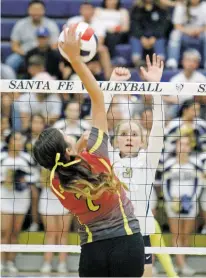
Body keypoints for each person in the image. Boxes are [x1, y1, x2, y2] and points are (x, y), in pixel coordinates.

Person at [33, 25, 145, 277]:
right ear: (70, 149)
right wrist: (74, 58)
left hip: (93, 250)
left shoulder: (54, 180)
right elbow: (96, 97)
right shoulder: (96, 152)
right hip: (126, 242)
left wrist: (79, 147)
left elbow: (71, 165)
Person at [77, 58, 178, 277]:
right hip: (110, 232)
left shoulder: (148, 159)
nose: (129, 138)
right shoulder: (109, 158)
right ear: (115, 141)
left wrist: (156, 87)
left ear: (143, 140)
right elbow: (97, 122)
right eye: (124, 134)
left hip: (140, 232)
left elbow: (159, 126)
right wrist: (112, 85)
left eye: (135, 134)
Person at [156, 136, 204, 276]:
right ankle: (182, 265)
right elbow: (165, 185)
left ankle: (180, 263)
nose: (183, 147)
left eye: (186, 144)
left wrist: (191, 200)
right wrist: (171, 200)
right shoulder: (169, 164)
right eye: (180, 144)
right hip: (173, 205)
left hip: (190, 204)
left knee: (186, 236)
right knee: (176, 235)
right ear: (176, 147)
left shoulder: (195, 164)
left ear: (190, 147)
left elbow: (199, 184)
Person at [1, 132, 38, 274]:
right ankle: (1, 261)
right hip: (5, 197)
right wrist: (5, 179)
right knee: (4, 231)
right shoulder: (2, 157)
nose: (19, 141)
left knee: (15, 232)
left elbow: (35, 175)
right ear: (9, 141)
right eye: (15, 139)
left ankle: (10, 261)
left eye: (20, 139)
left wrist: (23, 179)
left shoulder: (27, 158)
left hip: (22, 198)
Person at [5, 0, 59, 72]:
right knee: (11, 61)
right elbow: (14, 45)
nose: (36, 12)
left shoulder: (51, 24)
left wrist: (45, 53)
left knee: (57, 59)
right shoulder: (20, 24)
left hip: (45, 53)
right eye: (33, 10)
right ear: (28, 10)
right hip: (24, 53)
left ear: (44, 11)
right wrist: (26, 54)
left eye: (39, 10)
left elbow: (55, 44)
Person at [39, 168, 73, 274]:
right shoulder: (45, 162)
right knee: (50, 233)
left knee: (63, 233)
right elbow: (42, 183)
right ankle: (47, 263)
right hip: (48, 199)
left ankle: (62, 264)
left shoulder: (68, 163)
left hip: (65, 198)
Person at [166, 0, 206, 69]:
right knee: (175, 33)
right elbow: (177, 25)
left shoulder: (204, 6)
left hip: (200, 33)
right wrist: (188, 31)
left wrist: (198, 31)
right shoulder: (181, 5)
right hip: (184, 33)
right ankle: (172, 60)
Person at [130, 0, 169, 67]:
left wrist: (155, 37)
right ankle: (137, 61)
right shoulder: (136, 8)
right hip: (140, 37)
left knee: (160, 40)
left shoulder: (161, 8)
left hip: (156, 37)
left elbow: (163, 26)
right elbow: (134, 25)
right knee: (134, 38)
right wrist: (141, 37)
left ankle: (160, 61)